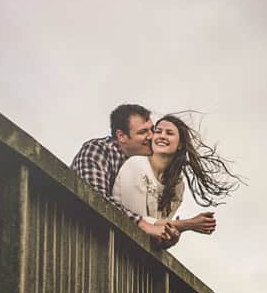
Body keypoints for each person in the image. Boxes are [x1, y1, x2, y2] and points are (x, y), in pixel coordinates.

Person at [111, 113, 242, 238]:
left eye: (169, 133)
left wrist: (172, 236)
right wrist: (188, 224)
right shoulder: (136, 165)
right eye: (158, 131)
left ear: (180, 144)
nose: (162, 136)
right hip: (116, 241)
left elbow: (161, 233)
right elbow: (138, 224)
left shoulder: (177, 184)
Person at [71, 104, 179, 245]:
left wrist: (167, 237)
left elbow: (152, 228)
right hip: (82, 241)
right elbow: (95, 199)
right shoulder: (98, 151)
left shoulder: (147, 167)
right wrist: (144, 225)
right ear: (121, 136)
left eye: (152, 129)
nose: (151, 136)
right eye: (143, 132)